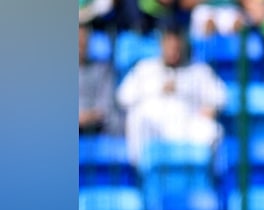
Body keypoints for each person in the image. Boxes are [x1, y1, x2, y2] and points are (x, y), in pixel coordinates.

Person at [116, 25, 227, 164]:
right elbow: (123, 97)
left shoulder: (198, 70)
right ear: (161, 45)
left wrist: (212, 107)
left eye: (176, 47)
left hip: (188, 125)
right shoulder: (145, 68)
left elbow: (220, 95)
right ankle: (142, 173)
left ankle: (211, 179)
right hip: (155, 127)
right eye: (169, 46)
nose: (173, 51)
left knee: (213, 131)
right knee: (137, 118)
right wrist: (157, 88)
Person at [79, 23, 122, 136]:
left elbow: (106, 106)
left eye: (84, 39)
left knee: (116, 121)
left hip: (97, 126)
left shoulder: (102, 70)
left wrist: (87, 117)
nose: (80, 43)